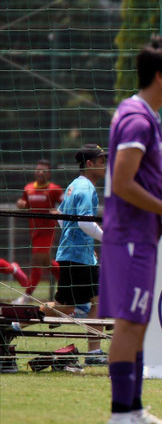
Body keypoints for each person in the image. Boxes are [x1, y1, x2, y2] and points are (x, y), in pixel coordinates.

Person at [100, 37, 162, 424]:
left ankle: (134, 409)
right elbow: (122, 182)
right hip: (127, 236)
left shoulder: (144, 115)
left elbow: (146, 183)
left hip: (140, 235)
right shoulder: (138, 119)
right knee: (128, 323)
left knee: (137, 322)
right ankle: (121, 413)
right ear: (160, 77)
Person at [41, 144, 108, 363]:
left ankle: (94, 353)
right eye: (102, 162)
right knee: (70, 306)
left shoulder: (74, 186)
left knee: (87, 302)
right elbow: (84, 223)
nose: (106, 165)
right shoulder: (85, 188)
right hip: (76, 258)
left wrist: (89, 248)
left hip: (78, 256)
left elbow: (62, 217)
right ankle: (14, 323)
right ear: (89, 164)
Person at [14, 159, 63, 303]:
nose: (40, 172)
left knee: (35, 260)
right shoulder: (28, 188)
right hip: (34, 232)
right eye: (38, 169)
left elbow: (65, 204)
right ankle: (67, 281)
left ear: (49, 173)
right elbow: (24, 204)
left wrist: (58, 211)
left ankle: (27, 295)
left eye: (44, 170)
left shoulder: (54, 189)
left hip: (47, 231)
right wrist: (21, 205)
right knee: (47, 263)